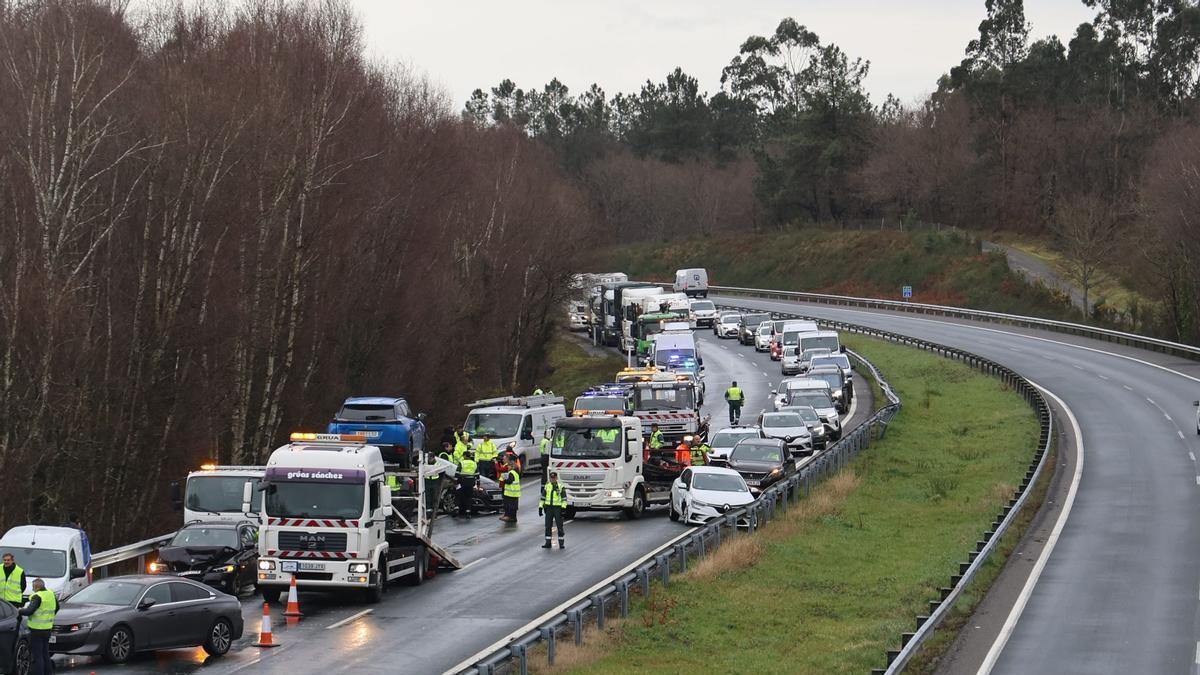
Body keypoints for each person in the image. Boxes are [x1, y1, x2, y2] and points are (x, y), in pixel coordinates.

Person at [19, 578, 56, 675]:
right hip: (47, 628)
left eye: (33, 587)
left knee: (37, 655)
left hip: (36, 630)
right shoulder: (51, 594)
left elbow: (29, 611)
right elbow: (57, 607)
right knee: (45, 654)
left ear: (37, 587)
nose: (32, 589)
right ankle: (48, 673)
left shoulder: (37, 596)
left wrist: (18, 610)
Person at [539, 472, 568, 549]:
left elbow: (564, 499)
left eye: (554, 478)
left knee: (559, 526)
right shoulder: (547, 486)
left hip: (557, 508)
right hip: (549, 508)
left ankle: (561, 543)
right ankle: (548, 542)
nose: (552, 479)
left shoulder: (560, 487)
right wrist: (540, 507)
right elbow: (543, 498)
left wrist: (563, 508)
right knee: (548, 526)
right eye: (551, 478)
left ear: (556, 478)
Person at [456, 450, 479, 518]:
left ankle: (457, 508)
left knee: (459, 495)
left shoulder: (462, 462)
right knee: (469, 497)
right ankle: (468, 512)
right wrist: (478, 483)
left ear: (465, 456)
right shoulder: (474, 463)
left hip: (462, 481)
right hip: (471, 482)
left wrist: (456, 482)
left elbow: (457, 473)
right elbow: (477, 474)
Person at [499, 456, 521, 523]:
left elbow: (509, 481)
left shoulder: (511, 473)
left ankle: (511, 518)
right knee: (513, 506)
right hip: (514, 493)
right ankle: (512, 518)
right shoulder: (515, 472)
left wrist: (505, 479)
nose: (507, 467)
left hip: (511, 493)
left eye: (508, 466)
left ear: (511, 467)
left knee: (510, 506)